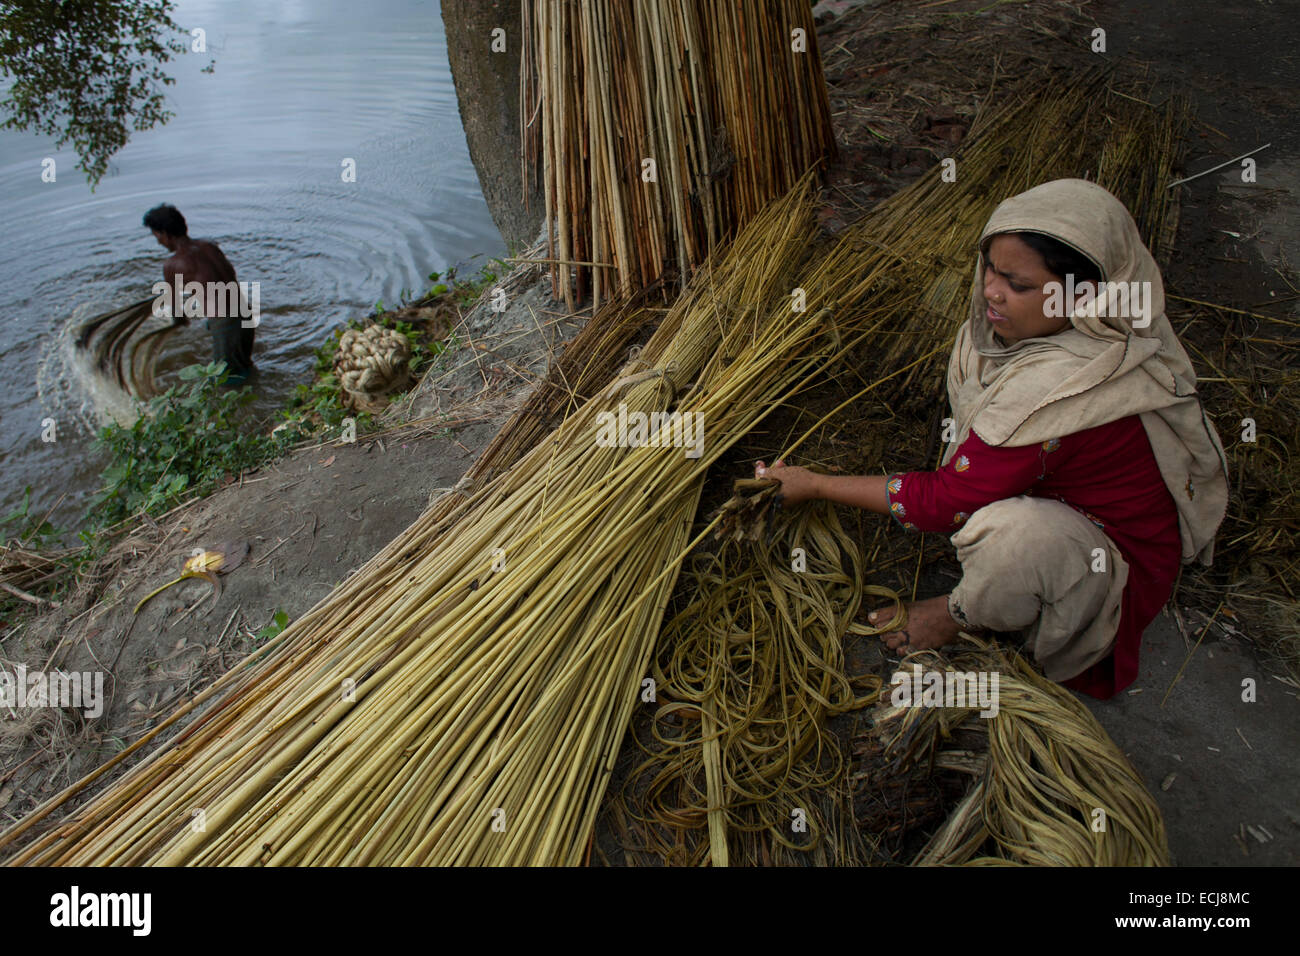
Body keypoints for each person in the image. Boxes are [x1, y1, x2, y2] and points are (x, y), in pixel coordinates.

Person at [755, 178, 1229, 699]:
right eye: (990, 269)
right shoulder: (1047, 331)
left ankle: (959, 615)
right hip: (1060, 495)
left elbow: (944, 503)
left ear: (1086, 294)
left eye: (1018, 285)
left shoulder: (1062, 387)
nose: (990, 292)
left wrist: (816, 485)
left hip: (1107, 566)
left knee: (1013, 538)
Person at [143, 203, 256, 387]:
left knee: (224, 381)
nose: (158, 242)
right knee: (243, 365)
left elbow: (177, 310)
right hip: (245, 311)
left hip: (225, 323)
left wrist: (177, 323)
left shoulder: (172, 265)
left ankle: (246, 408)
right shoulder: (209, 246)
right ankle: (257, 391)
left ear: (165, 234)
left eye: (157, 236)